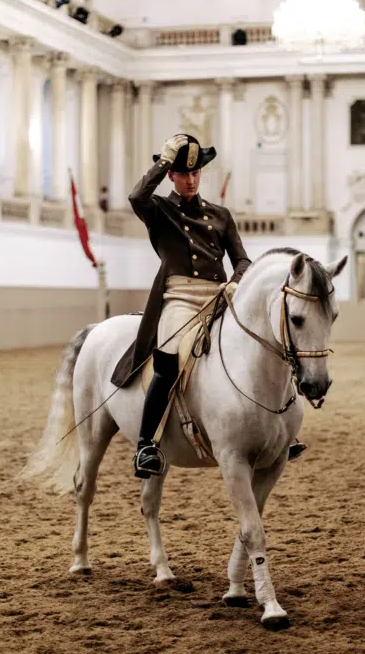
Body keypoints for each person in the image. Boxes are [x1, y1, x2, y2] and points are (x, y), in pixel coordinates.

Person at [110, 133, 304, 478]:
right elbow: (136, 195)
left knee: (261, 347)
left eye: (196, 173)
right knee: (170, 359)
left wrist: (235, 282)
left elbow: (242, 260)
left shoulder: (221, 215)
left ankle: (282, 432)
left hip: (219, 297)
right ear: (172, 175)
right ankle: (146, 445)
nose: (191, 180)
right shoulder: (160, 210)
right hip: (180, 299)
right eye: (183, 174)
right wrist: (164, 159)